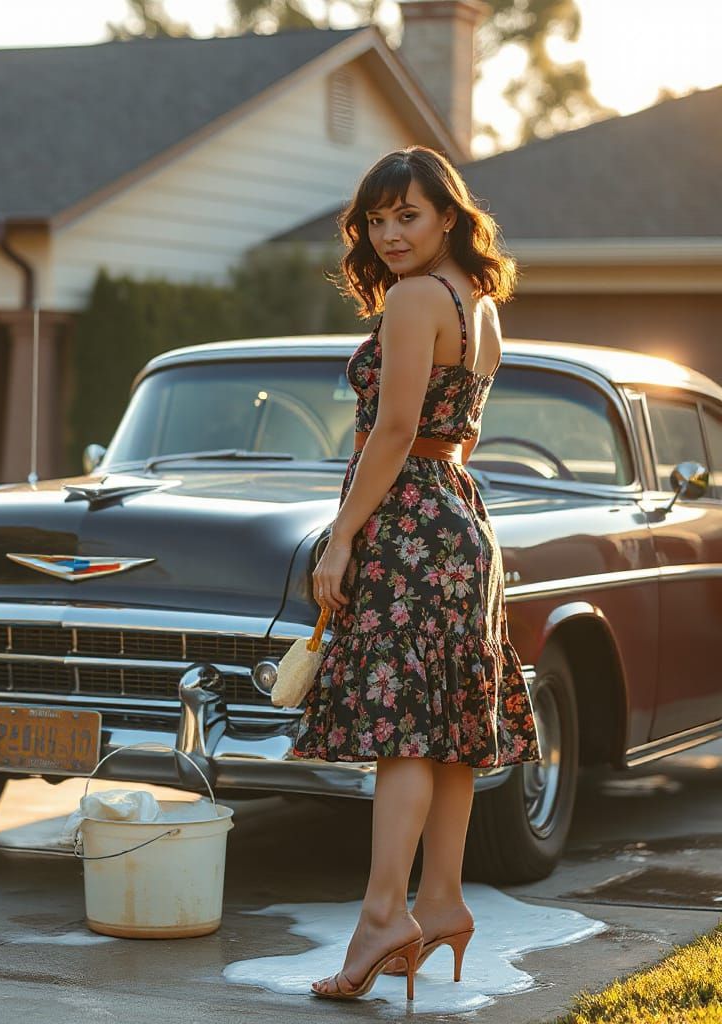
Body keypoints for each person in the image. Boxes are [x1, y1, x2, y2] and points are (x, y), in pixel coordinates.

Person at [288, 145, 543, 1001]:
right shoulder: (480, 303)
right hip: (462, 522)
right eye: (376, 218)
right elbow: (451, 437)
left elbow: (395, 432)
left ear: (447, 218)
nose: (390, 233)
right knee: (448, 726)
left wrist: (340, 537)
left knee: (403, 724)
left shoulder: (410, 300)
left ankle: (382, 914)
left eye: (409, 216)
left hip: (408, 522)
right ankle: (438, 901)